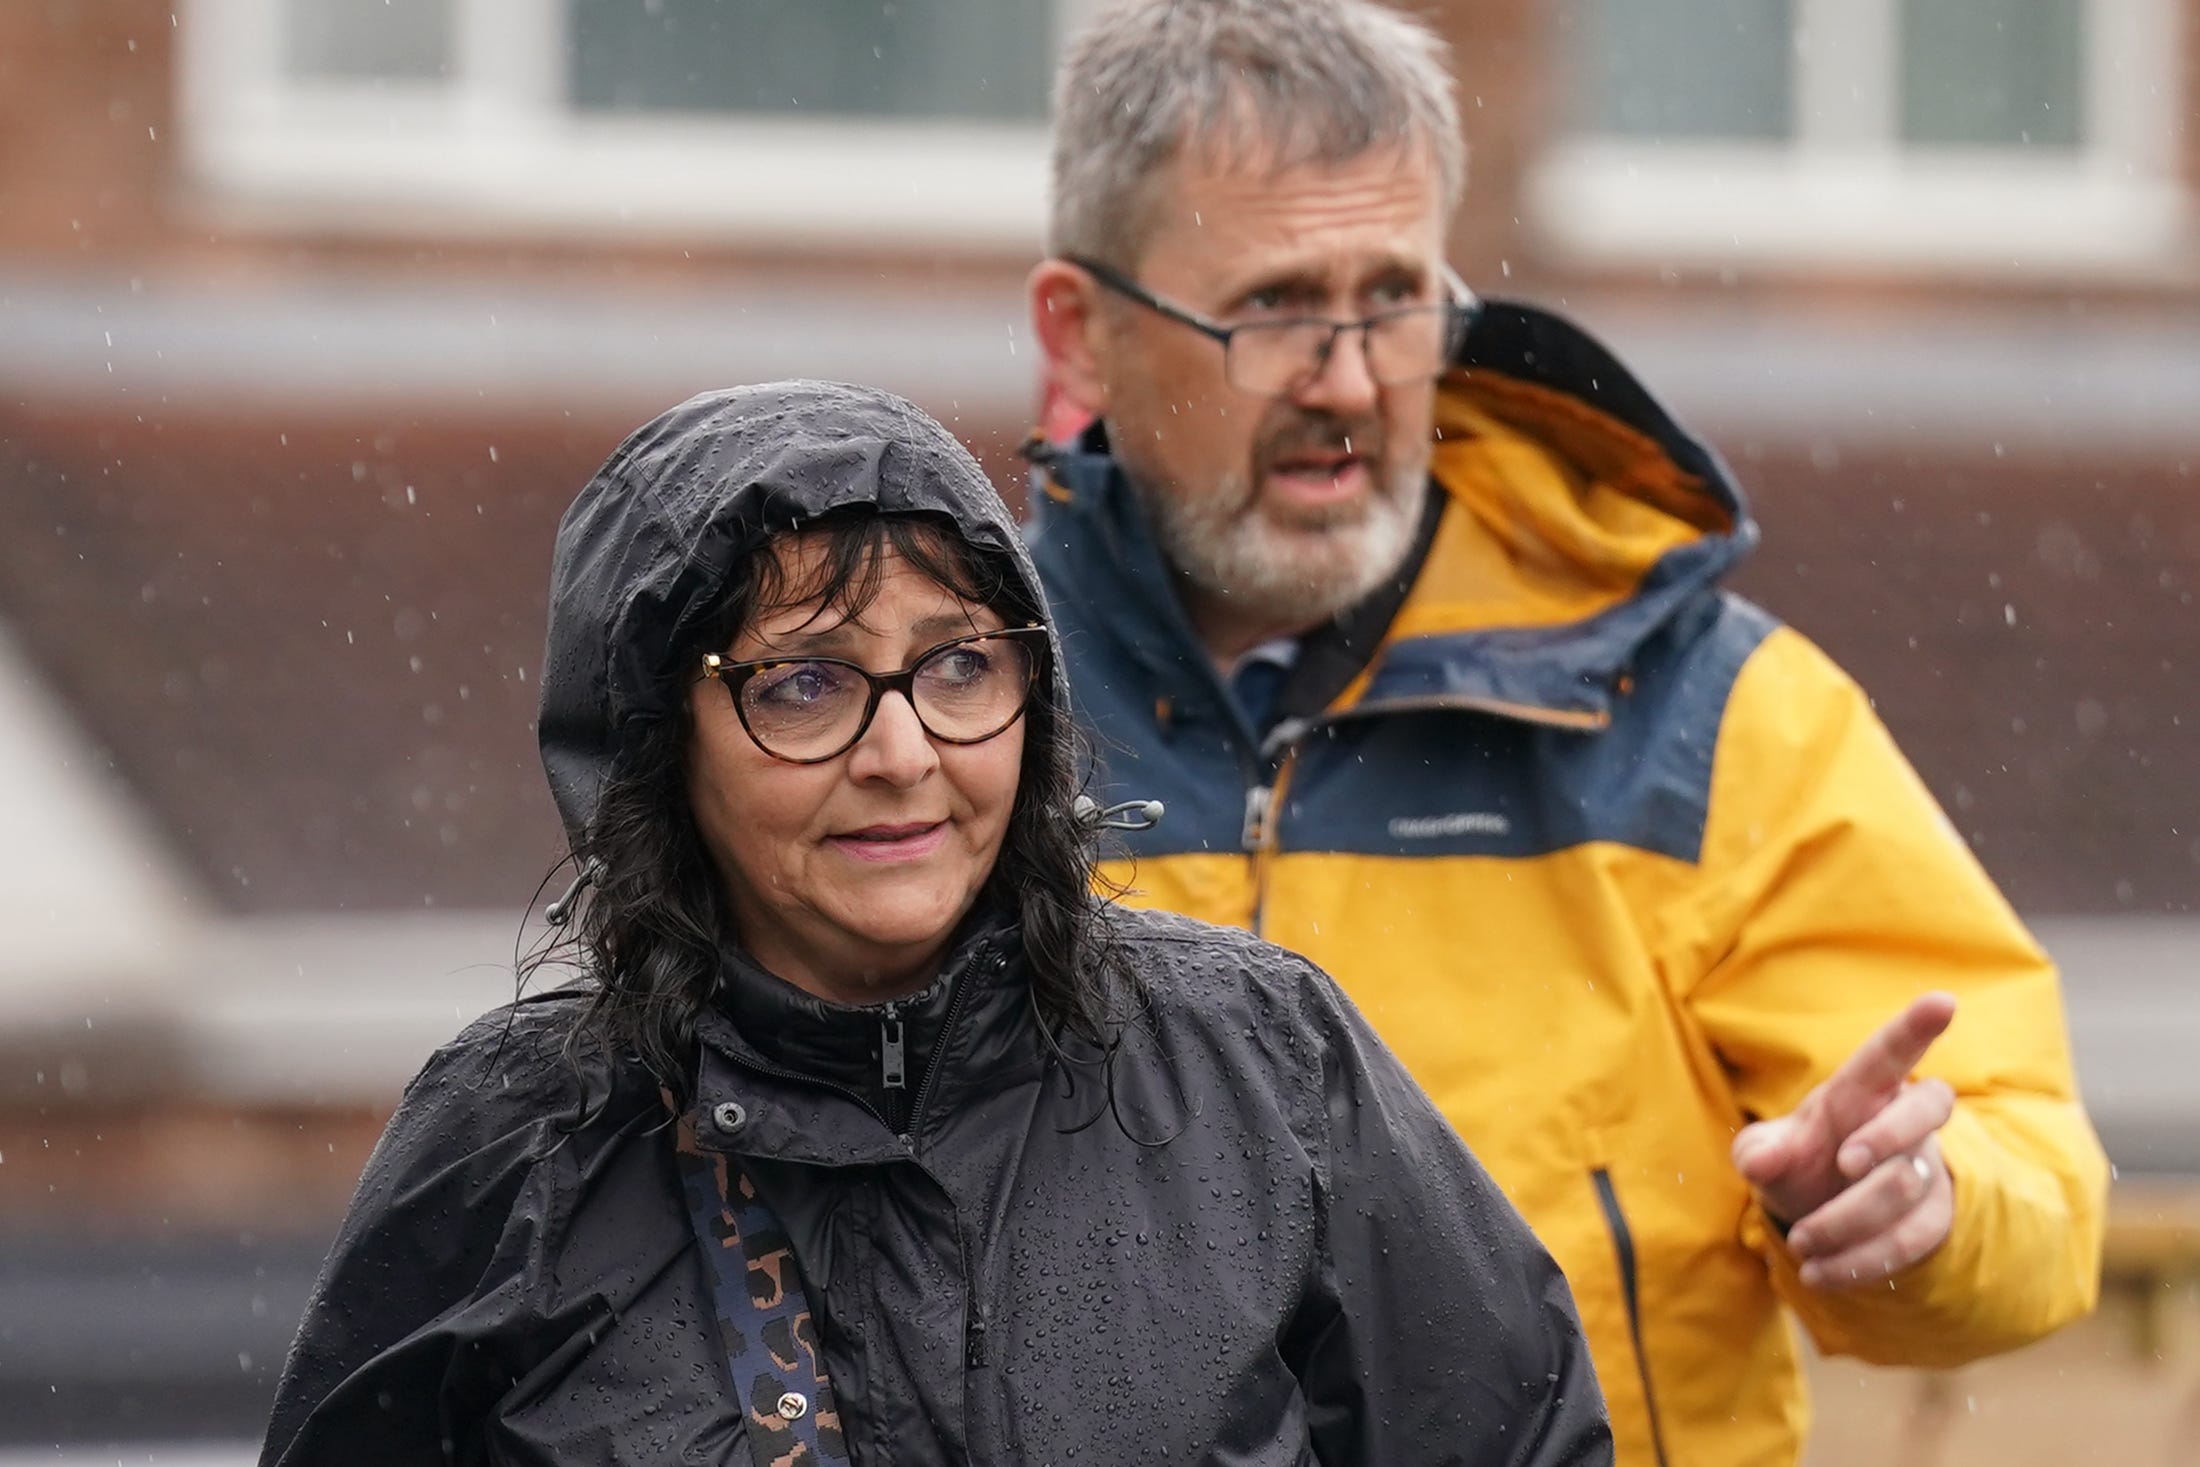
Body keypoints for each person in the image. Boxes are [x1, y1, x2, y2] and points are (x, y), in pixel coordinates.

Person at [1022, 3, 2109, 1465]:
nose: (1349, 383)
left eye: (1396, 296)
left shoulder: (1707, 715)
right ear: (1076, 331)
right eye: (1277, 305)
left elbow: (2030, 1173)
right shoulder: (946, 733)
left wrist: (1927, 1206)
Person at [258, 380, 1612, 1465]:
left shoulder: (1262, 1070)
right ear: (658, 746)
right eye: (803, 685)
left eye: (961, 664)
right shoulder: (509, 1152)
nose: (904, 749)